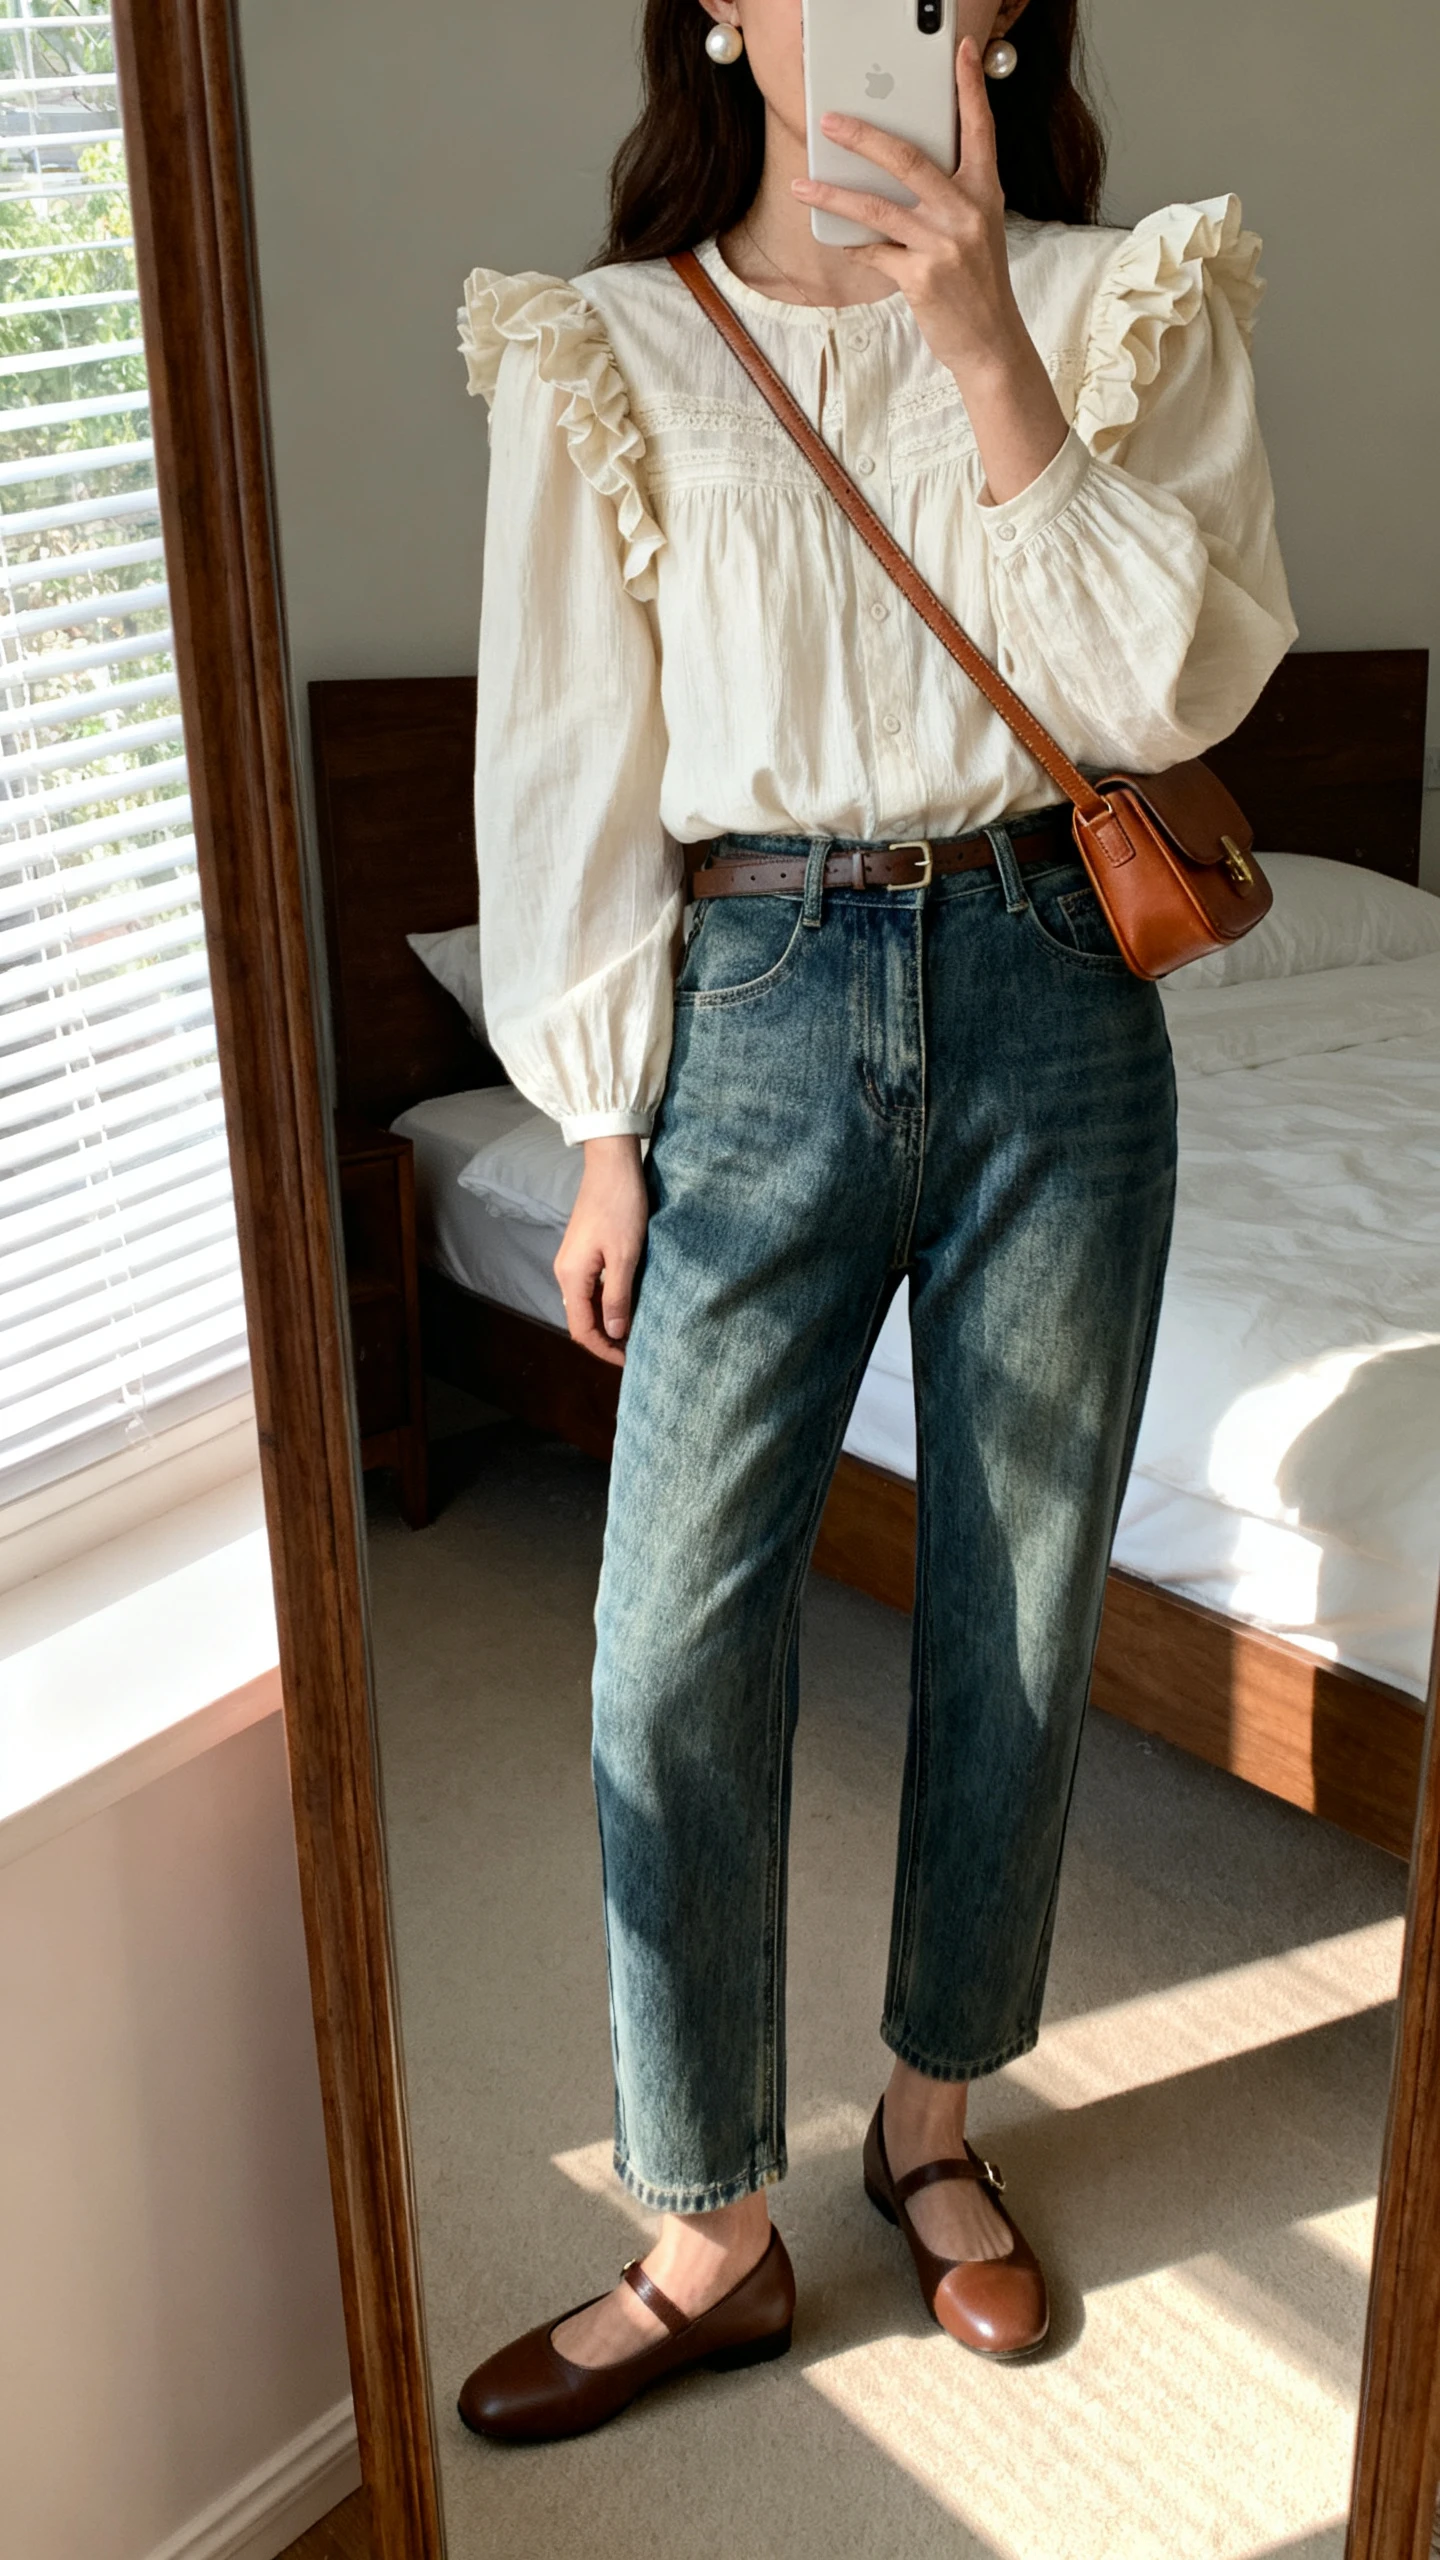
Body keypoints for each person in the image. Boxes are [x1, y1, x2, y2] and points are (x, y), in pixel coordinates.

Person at [454, 0, 1296, 2444]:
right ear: (722, 7)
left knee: (1021, 1602)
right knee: (667, 1640)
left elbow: (1183, 676)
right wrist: (600, 1119)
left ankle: (934, 2125)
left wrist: (987, 349)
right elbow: (568, 745)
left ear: (1002, 20)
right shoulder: (602, 346)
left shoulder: (1134, 297)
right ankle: (706, 2220)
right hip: (758, 1001)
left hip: (1057, 987)